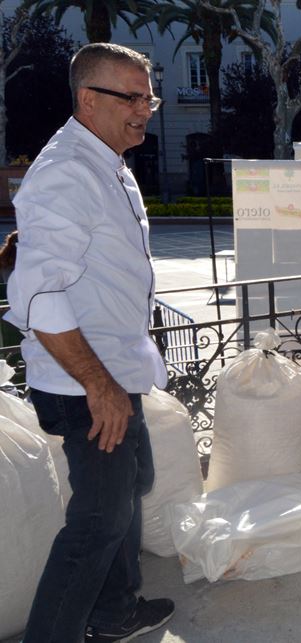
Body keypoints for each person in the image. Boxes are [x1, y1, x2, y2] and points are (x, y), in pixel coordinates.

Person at [5, 43, 174, 643]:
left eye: (147, 96)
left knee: (130, 489)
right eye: (130, 96)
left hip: (114, 370)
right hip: (82, 381)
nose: (144, 109)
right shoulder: (64, 175)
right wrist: (99, 386)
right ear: (88, 99)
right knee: (98, 521)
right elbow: (37, 296)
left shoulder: (108, 162)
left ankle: (115, 611)